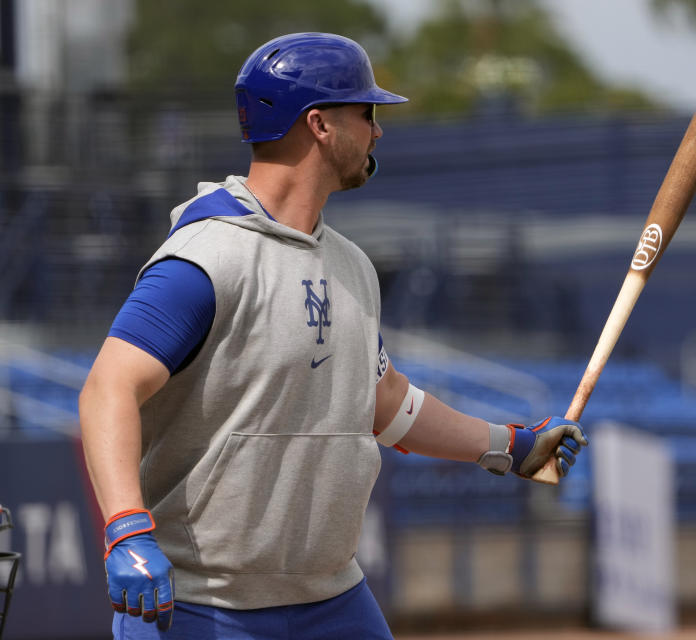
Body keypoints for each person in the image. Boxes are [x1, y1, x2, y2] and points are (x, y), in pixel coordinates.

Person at [79, 32, 587, 639]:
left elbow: (384, 403)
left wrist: (511, 445)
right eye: (366, 113)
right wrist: (126, 529)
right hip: (201, 606)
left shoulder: (351, 264)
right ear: (319, 124)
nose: (377, 131)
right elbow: (107, 390)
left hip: (332, 599)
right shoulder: (205, 259)